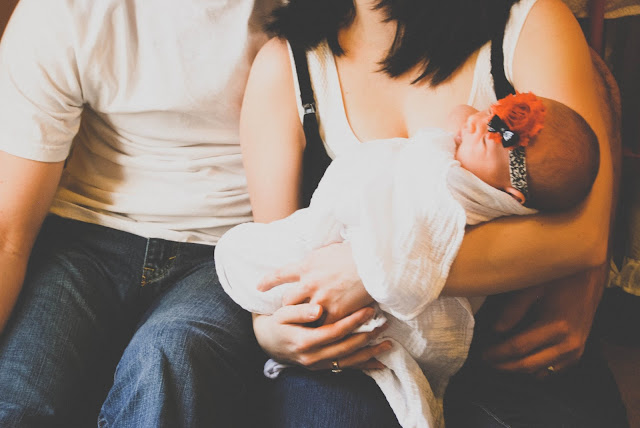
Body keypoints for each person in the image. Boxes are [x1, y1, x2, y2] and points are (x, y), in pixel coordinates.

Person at [240, 0, 629, 426]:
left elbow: (583, 237)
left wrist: (368, 271)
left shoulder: (529, 21)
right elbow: (273, 260)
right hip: (358, 353)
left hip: (510, 348)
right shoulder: (285, 65)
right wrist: (271, 333)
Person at [216, 93, 600, 427]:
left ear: (511, 196)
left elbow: (414, 248)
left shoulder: (464, 192)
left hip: (401, 316)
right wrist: (268, 333)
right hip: (320, 276)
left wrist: (366, 267)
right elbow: (461, 117)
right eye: (493, 112)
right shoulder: (481, 154)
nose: (480, 124)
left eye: (494, 135)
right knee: (252, 256)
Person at [0, 0, 283, 426]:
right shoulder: (64, 11)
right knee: (18, 396)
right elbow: (8, 233)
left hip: (225, 248)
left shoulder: (308, 14)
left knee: (169, 360)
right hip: (86, 233)